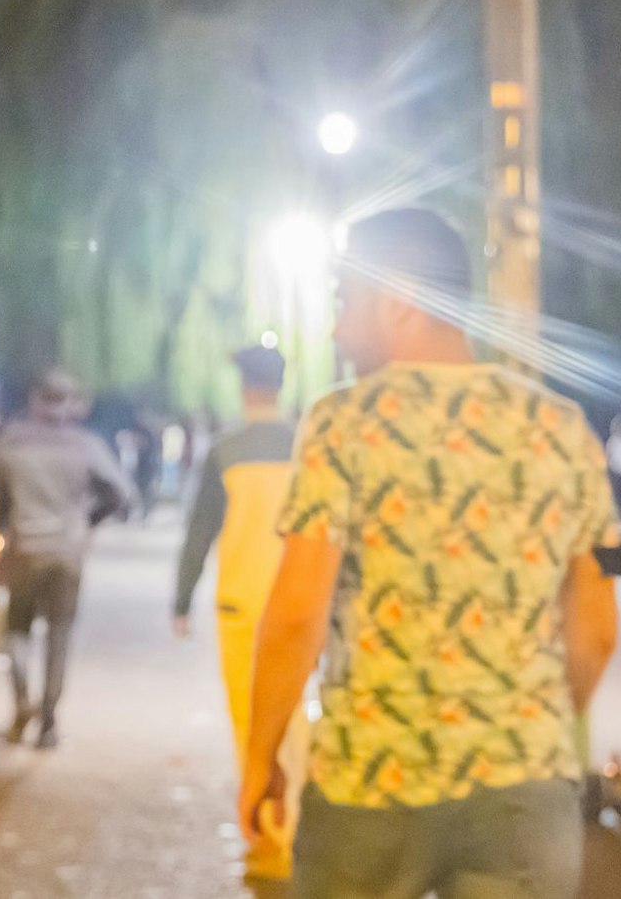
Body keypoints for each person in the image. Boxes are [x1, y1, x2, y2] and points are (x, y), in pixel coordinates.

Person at [242, 208, 620, 899]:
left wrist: (261, 755)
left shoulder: (341, 421)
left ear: (398, 302)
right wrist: (524, 726)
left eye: (345, 303)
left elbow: (298, 613)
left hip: (369, 783)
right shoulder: (564, 431)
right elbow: (596, 625)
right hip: (522, 793)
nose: (334, 327)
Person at [172, 344, 306, 881]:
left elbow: (200, 529)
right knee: (295, 712)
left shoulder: (224, 448)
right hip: (298, 598)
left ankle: (265, 833)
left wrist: (181, 600)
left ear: (244, 386)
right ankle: (294, 821)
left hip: (240, 603)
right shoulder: (306, 445)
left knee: (250, 716)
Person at [0, 367, 135, 749]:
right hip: (68, 552)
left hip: (24, 548)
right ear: (71, 403)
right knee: (60, 633)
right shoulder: (85, 445)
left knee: (17, 627)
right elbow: (123, 495)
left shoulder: (10, 442)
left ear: (34, 399)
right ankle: (49, 722)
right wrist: (88, 521)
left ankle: (21, 700)